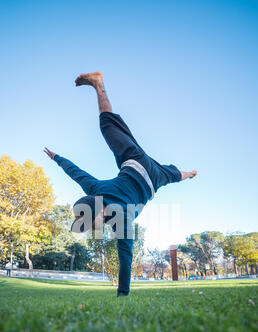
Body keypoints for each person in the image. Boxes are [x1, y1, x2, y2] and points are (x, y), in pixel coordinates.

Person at [44, 72, 197, 297]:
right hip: (139, 165)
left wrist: (122, 294)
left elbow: (125, 257)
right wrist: (57, 158)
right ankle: (190, 173)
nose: (90, 228)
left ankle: (98, 84)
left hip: (145, 172)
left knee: (171, 173)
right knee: (174, 173)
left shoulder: (121, 217)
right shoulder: (95, 191)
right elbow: (76, 173)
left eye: (88, 222)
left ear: (98, 210)